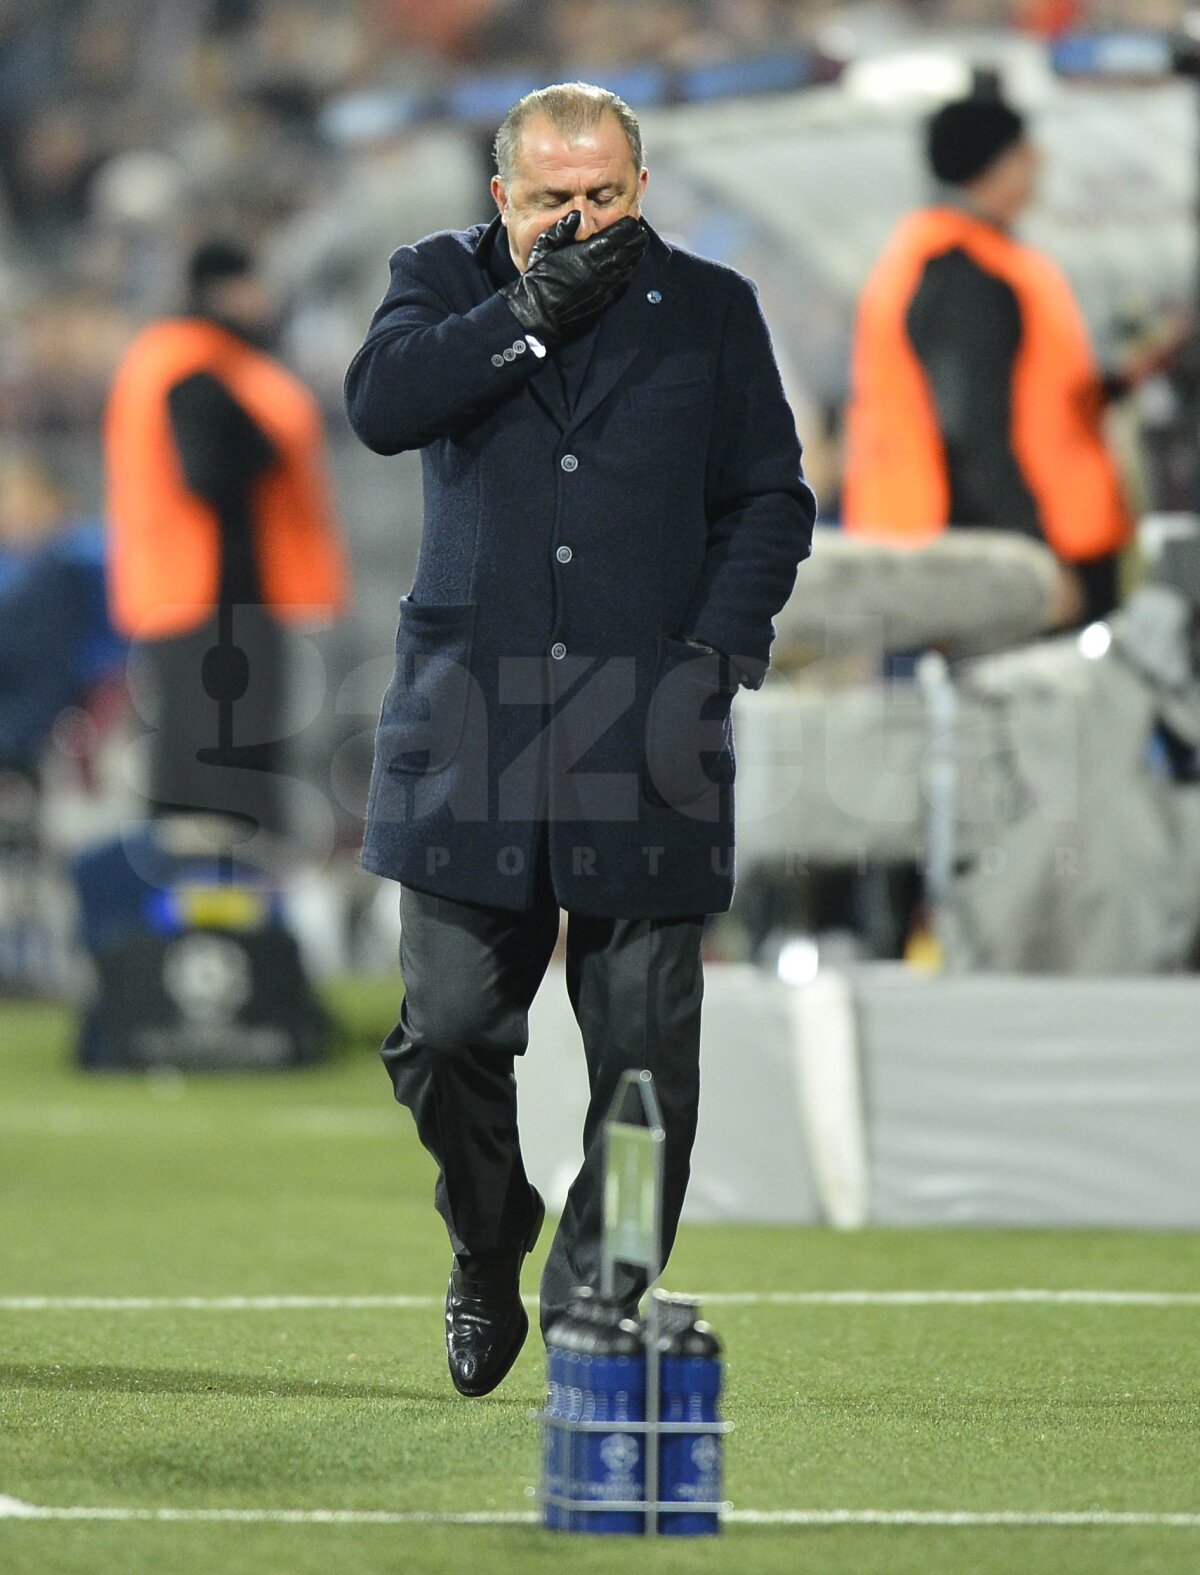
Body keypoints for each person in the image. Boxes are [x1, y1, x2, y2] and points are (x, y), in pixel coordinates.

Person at [345, 81, 815, 1397]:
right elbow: (382, 404)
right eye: (555, 197)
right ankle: (489, 1239)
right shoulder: (437, 281)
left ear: (643, 188)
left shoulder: (711, 308)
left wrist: (715, 654)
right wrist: (525, 315)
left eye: (605, 194)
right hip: (469, 721)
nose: (583, 218)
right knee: (443, 1029)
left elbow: (770, 498)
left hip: (651, 723)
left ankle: (602, 1293)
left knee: (646, 1058)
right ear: (503, 198)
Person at [843, 90, 1144, 625]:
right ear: (996, 166)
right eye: (1027, 152)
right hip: (1004, 556)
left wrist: (1117, 384)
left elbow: (1030, 399)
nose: (1041, 164)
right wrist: (1033, 565)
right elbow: (973, 431)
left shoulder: (967, 259)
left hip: (1007, 544)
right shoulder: (965, 276)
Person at [104, 240, 348, 844]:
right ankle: (232, 903)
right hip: (212, 587)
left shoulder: (165, 356)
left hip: (179, 588)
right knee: (227, 758)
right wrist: (263, 447)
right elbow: (211, 467)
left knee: (192, 750)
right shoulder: (198, 364)